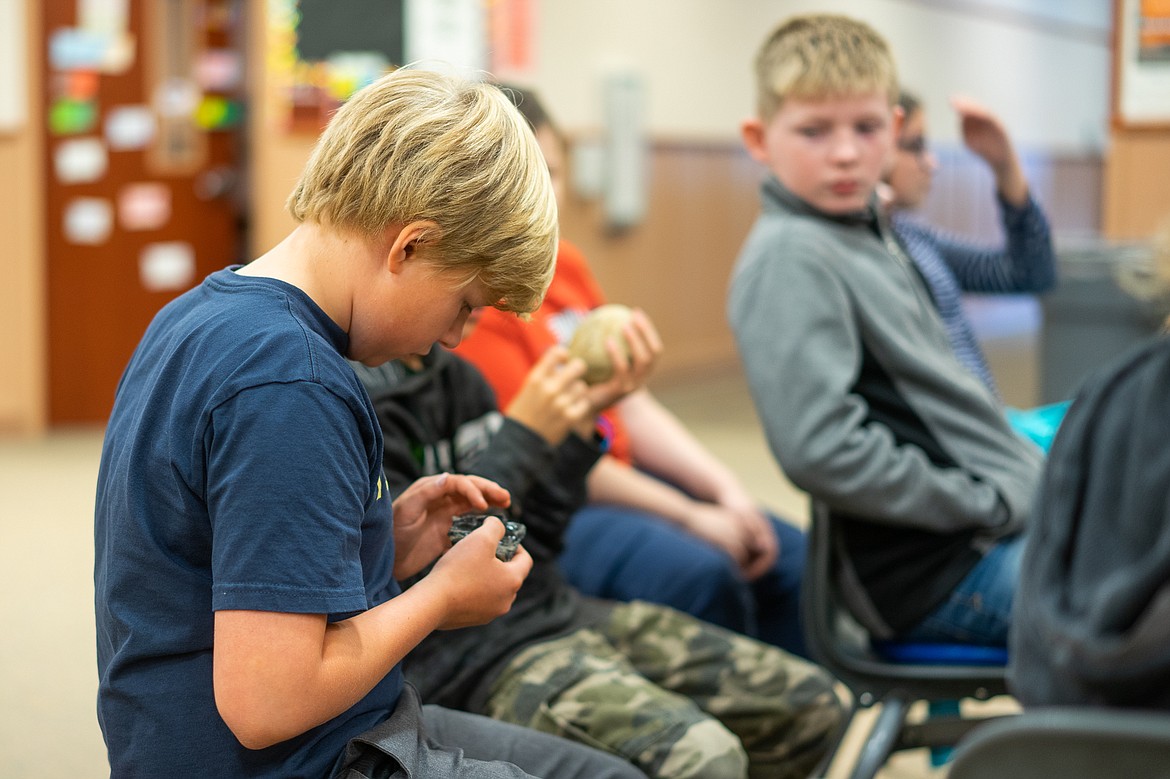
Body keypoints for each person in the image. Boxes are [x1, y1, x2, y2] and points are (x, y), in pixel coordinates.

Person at [93, 68, 645, 779]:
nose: (457, 337)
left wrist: (383, 547)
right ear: (408, 247)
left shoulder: (202, 314)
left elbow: (224, 566)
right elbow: (266, 702)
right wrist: (439, 595)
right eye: (467, 304)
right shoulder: (294, 384)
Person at [353, 341, 844, 779]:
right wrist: (521, 436)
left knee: (813, 705)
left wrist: (579, 426)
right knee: (704, 756)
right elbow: (409, 578)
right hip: (472, 662)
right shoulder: (360, 404)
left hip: (555, 612)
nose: (493, 303)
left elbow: (536, 537)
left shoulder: (460, 378)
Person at [455, 84, 811, 657]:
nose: (541, 193)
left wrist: (724, 489)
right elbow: (549, 450)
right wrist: (692, 516)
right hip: (558, 499)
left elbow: (629, 403)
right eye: (521, 174)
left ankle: (812, 727)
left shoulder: (564, 263)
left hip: (619, 472)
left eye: (552, 171)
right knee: (705, 572)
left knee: (787, 551)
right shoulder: (469, 302)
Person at [728, 14, 1044, 647]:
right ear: (760, 139)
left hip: (980, 537)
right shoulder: (793, 256)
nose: (845, 152)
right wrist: (983, 501)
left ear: (894, 130)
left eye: (866, 128)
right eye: (813, 131)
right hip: (941, 573)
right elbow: (823, 449)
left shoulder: (868, 230)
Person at [884, 90, 1066, 451]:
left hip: (992, 430)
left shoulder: (913, 238)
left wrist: (1005, 168)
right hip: (966, 448)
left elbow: (1030, 273)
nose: (931, 162)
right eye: (916, 146)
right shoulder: (860, 254)